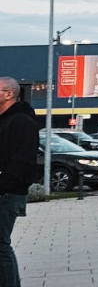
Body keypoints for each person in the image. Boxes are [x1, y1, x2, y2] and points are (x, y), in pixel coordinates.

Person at [0, 77, 38, 286]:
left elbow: (24, 160)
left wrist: (4, 184)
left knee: (0, 245)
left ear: (8, 94)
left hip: (8, 193)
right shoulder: (4, 120)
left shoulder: (22, 121)